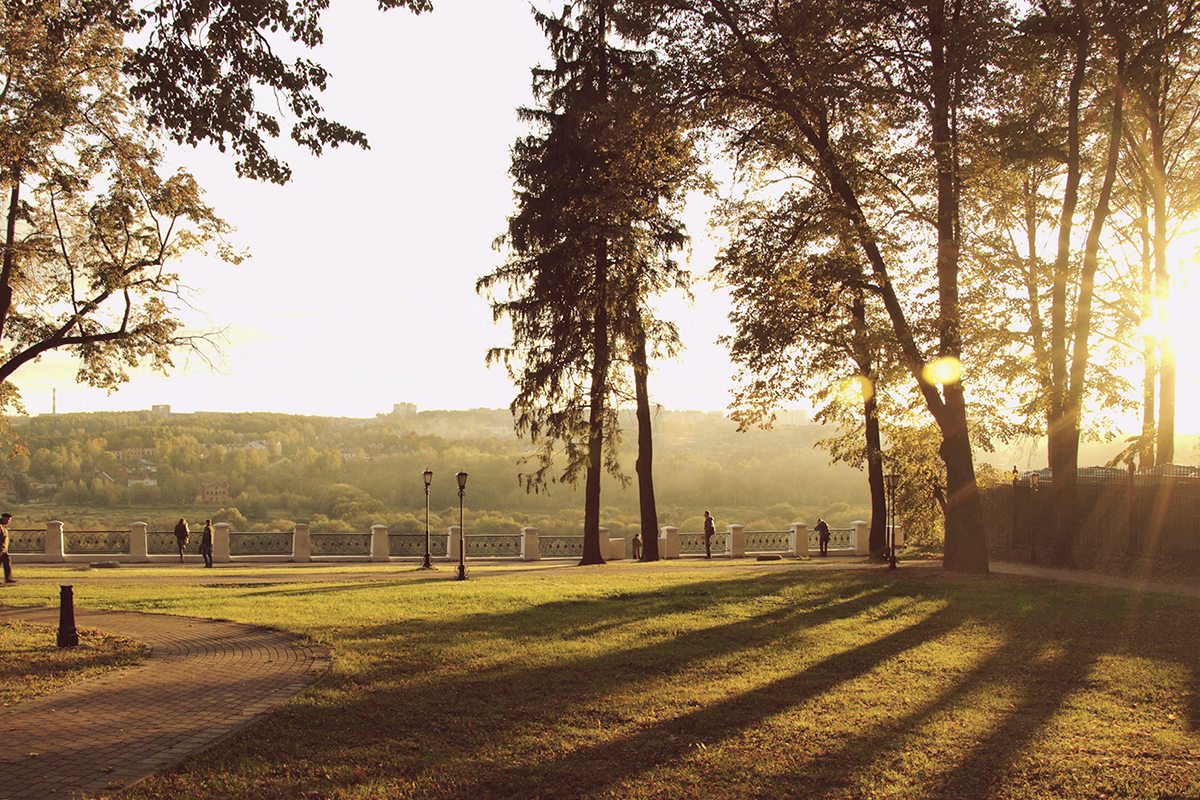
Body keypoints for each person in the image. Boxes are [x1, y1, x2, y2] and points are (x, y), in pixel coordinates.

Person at [0, 512, 14, 583]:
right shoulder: (0, 526)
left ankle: (8, 578)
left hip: (3, 549)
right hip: (0, 549)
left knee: (7, 562)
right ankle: (8, 578)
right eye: (8, 520)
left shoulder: (3, 526)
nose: (9, 522)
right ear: (4, 519)